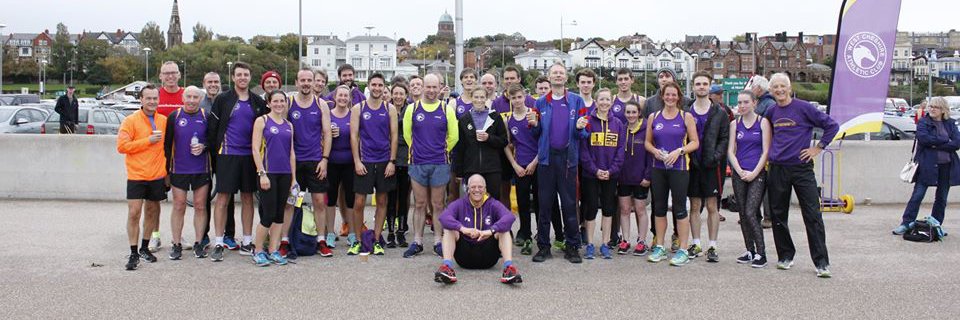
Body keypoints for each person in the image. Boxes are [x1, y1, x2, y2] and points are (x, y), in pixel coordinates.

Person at [763, 73, 837, 278]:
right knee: (778, 215)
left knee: (812, 215)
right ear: (771, 91)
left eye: (782, 86)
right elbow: (766, 136)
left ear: (789, 87)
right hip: (777, 168)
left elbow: (831, 125)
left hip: (801, 168)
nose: (779, 90)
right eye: (775, 87)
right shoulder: (771, 111)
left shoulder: (804, 108)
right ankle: (786, 255)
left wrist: (818, 147)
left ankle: (821, 262)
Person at [206, 62, 268, 261]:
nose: (242, 78)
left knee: (248, 198)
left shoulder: (257, 101)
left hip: (250, 157)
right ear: (233, 77)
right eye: (239, 74)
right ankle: (218, 242)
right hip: (227, 155)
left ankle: (247, 241)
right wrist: (213, 155)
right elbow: (212, 129)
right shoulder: (223, 99)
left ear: (250, 78)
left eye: (246, 75)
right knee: (223, 199)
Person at [531, 62, 587, 264]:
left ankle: (572, 247)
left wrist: (581, 128)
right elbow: (535, 133)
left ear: (566, 77)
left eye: (561, 73)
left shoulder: (576, 101)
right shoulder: (539, 103)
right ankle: (544, 246)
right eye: (554, 73)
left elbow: (584, 132)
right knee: (545, 204)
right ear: (549, 76)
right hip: (546, 159)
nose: (557, 76)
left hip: (568, 160)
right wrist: (535, 125)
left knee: (570, 205)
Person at [402, 73, 459, 258]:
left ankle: (438, 241)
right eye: (429, 87)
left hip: (440, 163)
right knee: (419, 203)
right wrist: (419, 150)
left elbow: (454, 136)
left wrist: (440, 150)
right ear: (423, 87)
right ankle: (417, 241)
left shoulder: (446, 109)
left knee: (438, 204)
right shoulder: (412, 108)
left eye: (435, 87)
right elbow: (407, 135)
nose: (432, 90)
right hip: (417, 162)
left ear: (440, 88)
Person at [644, 81, 700, 267]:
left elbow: (695, 142)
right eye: (667, 94)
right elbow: (647, 143)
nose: (670, 98)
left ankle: (683, 249)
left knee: (680, 209)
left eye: (673, 95)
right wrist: (655, 152)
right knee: (658, 208)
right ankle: (660, 246)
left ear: (679, 97)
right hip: (658, 168)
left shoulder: (686, 116)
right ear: (662, 96)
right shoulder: (654, 116)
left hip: (680, 168)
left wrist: (679, 151)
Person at [282, 68, 333, 258]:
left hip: (315, 161)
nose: (305, 83)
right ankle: (284, 241)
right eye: (302, 80)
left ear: (314, 83)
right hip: (294, 162)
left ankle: (321, 240)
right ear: (296, 82)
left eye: (309, 80)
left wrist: (325, 159)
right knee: (291, 202)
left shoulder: (321, 105)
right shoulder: (289, 103)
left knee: (319, 202)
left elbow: (327, 133)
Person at [434, 174, 522, 284]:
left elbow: (509, 217)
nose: (477, 190)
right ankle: (447, 267)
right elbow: (444, 217)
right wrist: (463, 229)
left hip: (488, 256)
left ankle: (509, 269)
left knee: (504, 230)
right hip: (464, 256)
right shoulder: (460, 203)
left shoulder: (493, 204)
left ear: (485, 189)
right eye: (473, 187)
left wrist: (490, 231)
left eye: (480, 187)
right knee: (449, 230)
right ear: (468, 189)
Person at [117, 84, 168, 270]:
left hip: (157, 175)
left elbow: (168, 148)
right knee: (134, 213)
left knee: (152, 212)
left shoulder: (163, 120)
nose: (152, 101)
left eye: (155, 98)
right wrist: (147, 141)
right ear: (141, 99)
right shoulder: (130, 121)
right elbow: (122, 146)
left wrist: (167, 173)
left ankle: (145, 248)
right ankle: (133, 252)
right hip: (137, 174)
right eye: (148, 98)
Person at [349, 73, 399, 256]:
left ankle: (377, 239)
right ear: (369, 86)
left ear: (384, 87)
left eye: (380, 85)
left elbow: (394, 136)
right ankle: (358, 239)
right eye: (374, 85)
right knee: (359, 202)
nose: (377, 88)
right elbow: (353, 136)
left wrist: (392, 161)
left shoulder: (390, 108)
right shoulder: (358, 108)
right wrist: (356, 161)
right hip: (365, 161)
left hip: (384, 160)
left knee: (382, 200)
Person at [894, 97, 959, 235]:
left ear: (943, 110)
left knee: (941, 198)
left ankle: (935, 225)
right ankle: (906, 223)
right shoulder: (924, 122)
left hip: (946, 166)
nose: (932, 109)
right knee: (917, 195)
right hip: (926, 165)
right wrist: (944, 140)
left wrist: (936, 144)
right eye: (930, 107)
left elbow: (957, 142)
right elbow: (924, 139)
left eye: (935, 107)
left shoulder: (950, 124)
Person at [163, 86, 211, 260]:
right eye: (188, 96)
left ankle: (199, 243)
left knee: (200, 205)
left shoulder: (206, 116)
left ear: (200, 99)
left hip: (201, 168)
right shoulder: (174, 117)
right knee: (179, 205)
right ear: (183, 98)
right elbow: (167, 146)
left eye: (195, 97)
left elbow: (213, 141)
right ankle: (176, 244)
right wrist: (166, 172)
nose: (191, 100)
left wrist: (204, 146)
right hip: (179, 169)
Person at [686, 72, 729, 262]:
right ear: (693, 87)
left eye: (705, 83)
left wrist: (716, 156)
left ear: (709, 86)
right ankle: (696, 243)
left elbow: (724, 138)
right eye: (698, 84)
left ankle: (712, 246)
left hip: (712, 166)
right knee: (694, 206)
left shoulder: (720, 112)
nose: (701, 87)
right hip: (692, 164)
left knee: (712, 206)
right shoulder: (686, 111)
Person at [144, 61, 186, 252]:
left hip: (181, 157)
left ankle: (179, 235)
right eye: (166, 73)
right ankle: (154, 235)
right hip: (157, 157)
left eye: (173, 73)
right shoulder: (155, 96)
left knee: (180, 201)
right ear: (160, 76)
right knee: (153, 202)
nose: (170, 76)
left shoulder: (186, 95)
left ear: (179, 75)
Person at [579, 88, 625, 260]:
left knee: (608, 209)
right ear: (596, 102)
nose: (604, 103)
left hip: (610, 175)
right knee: (590, 209)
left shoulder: (618, 124)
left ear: (612, 102)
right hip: (591, 175)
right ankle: (590, 244)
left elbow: (621, 151)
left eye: (607, 100)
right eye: (601, 100)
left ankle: (605, 244)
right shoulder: (587, 121)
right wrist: (595, 170)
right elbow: (583, 151)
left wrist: (611, 170)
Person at [250, 90, 295, 267]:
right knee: (267, 215)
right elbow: (255, 149)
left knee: (279, 215)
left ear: (285, 103)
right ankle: (258, 250)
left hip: (285, 174)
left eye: (281, 101)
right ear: (268, 103)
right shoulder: (262, 121)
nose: (278, 104)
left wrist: (294, 178)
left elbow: (291, 153)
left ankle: (273, 250)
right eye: (275, 101)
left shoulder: (288, 125)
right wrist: (262, 173)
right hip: (268, 174)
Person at [727, 90, 772, 268]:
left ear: (754, 103)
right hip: (739, 173)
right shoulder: (734, 124)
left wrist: (754, 173)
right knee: (742, 214)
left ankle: (762, 253)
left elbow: (766, 151)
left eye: (746, 102)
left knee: (751, 212)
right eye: (739, 102)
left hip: (757, 173)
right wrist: (738, 170)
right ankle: (749, 250)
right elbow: (731, 150)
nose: (742, 106)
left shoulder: (763, 122)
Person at [504, 84, 540, 256]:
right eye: (513, 98)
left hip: (538, 164)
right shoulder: (508, 120)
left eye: (519, 97)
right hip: (520, 167)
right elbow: (508, 145)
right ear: (509, 99)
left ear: (524, 96)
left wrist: (535, 162)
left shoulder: (533, 115)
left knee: (540, 202)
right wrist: (515, 165)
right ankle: (526, 236)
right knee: (523, 203)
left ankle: (542, 235)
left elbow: (543, 140)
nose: (517, 101)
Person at [456, 86, 508, 201]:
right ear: (471, 98)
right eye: (476, 97)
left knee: (493, 201)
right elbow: (460, 147)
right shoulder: (465, 119)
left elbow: (503, 141)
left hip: (492, 168)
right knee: (473, 201)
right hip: (471, 168)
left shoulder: (495, 117)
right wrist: (459, 171)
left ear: (486, 98)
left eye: (482, 97)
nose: (479, 100)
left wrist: (489, 138)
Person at [617, 101, 652, 256]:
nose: (631, 115)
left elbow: (651, 155)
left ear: (639, 113)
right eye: (628, 112)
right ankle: (625, 240)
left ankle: (642, 241)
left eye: (634, 112)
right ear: (624, 114)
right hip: (623, 177)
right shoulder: (621, 129)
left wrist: (648, 176)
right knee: (624, 210)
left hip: (640, 178)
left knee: (640, 209)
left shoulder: (646, 129)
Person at [324, 86, 358, 249]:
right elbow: (319, 136)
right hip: (331, 162)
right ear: (335, 97)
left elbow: (359, 136)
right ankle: (330, 232)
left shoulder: (354, 115)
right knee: (330, 199)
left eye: (346, 96)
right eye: (340, 95)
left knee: (350, 199)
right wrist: (327, 134)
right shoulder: (328, 115)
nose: (343, 98)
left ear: (349, 98)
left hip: (350, 162)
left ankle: (351, 232)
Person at [746, 75, 775, 229]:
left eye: (753, 87)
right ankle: (753, 215)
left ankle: (768, 217)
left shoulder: (768, 105)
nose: (751, 89)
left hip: (765, 150)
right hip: (759, 149)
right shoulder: (765, 103)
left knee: (765, 186)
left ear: (759, 89)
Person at [386, 83, 412, 248]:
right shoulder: (386, 109)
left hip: (407, 157)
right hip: (390, 156)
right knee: (391, 196)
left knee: (403, 197)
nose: (398, 96)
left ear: (405, 95)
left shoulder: (410, 110)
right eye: (395, 93)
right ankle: (390, 232)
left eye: (401, 94)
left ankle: (401, 231)